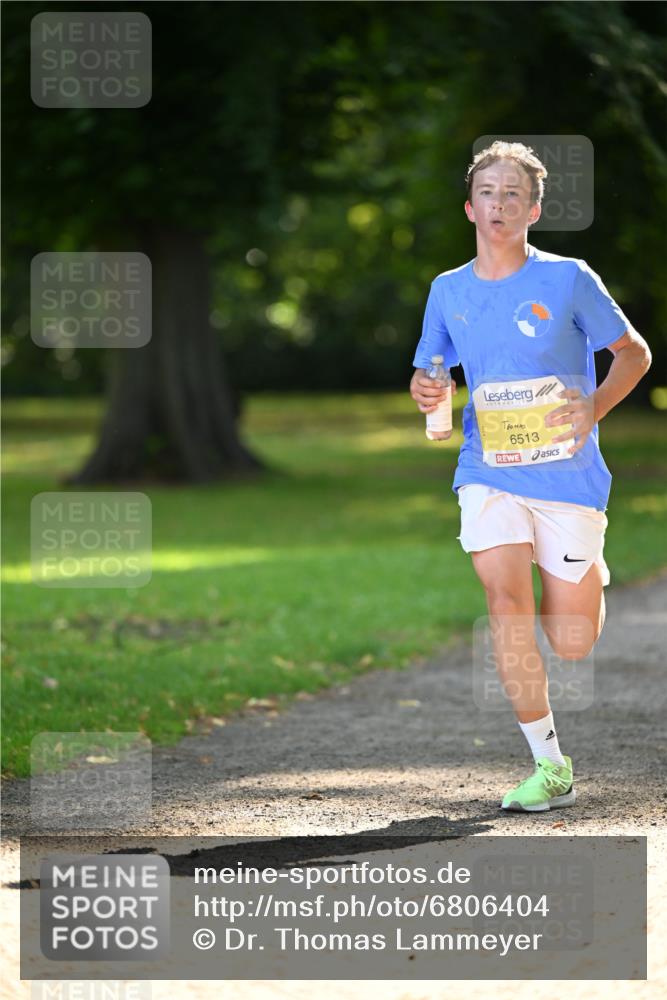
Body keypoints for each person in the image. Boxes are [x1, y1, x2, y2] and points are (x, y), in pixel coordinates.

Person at [410, 140, 652, 812]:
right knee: (503, 603)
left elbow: (632, 354)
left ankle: (582, 574)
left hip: (567, 479)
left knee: (571, 643)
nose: (499, 203)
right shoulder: (446, 290)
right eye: (488, 191)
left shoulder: (568, 278)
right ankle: (549, 766)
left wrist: (593, 405)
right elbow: (430, 372)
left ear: (533, 208)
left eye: (512, 193)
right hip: (486, 469)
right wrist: (428, 393)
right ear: (469, 206)